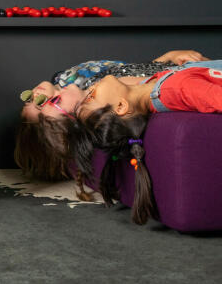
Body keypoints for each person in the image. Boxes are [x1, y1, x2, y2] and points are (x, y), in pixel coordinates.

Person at [13, 50, 210, 196]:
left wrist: (170, 57)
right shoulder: (111, 97)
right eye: (53, 101)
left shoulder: (84, 83)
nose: (37, 94)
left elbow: (141, 70)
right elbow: (151, 85)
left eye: (29, 97)